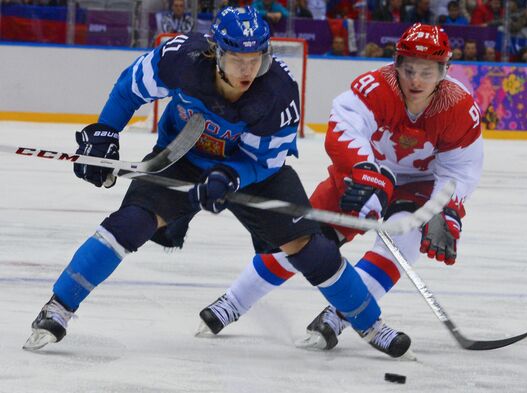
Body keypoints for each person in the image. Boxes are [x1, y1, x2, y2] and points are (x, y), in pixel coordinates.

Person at [23, 6, 386, 352]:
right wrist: (105, 132)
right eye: (236, 59)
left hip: (251, 172)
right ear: (215, 52)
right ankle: (58, 308)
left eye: (255, 59)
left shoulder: (277, 94)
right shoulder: (180, 58)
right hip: (183, 156)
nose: (247, 69)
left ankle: (370, 324)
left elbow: (266, 162)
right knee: (131, 222)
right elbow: (129, 89)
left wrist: (230, 176)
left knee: (309, 247)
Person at [198, 23, 484, 356]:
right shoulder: (375, 87)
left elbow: (460, 169)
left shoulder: (459, 107)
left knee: (404, 241)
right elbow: (343, 128)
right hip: (361, 175)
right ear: (396, 65)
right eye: (409, 70)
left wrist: (444, 209)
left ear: (444, 71)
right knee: (302, 238)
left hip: (419, 186)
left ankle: (340, 315)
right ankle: (233, 301)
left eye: (427, 72)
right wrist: (367, 174)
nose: (416, 81)